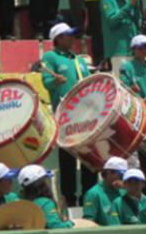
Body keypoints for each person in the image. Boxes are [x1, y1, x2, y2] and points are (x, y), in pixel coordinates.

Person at [41, 22, 95, 206]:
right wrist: (56, 82)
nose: (73, 38)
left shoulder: (79, 59)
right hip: (66, 117)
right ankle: (70, 200)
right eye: (68, 35)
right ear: (58, 39)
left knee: (89, 159)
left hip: (86, 116)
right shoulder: (51, 57)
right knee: (67, 161)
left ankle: (88, 197)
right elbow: (46, 82)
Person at [100, 0, 141, 73]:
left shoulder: (128, 0)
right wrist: (130, 5)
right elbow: (112, 21)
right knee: (120, 81)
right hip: (117, 51)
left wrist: (136, 5)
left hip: (132, 50)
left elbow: (138, 23)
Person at [19, 165, 74, 230]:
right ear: (42, 183)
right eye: (46, 179)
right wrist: (72, 223)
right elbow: (55, 227)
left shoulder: (19, 202)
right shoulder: (46, 203)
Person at [83, 156, 127, 226]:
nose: (123, 178)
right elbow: (88, 222)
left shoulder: (124, 191)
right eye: (120, 175)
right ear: (108, 173)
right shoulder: (93, 194)